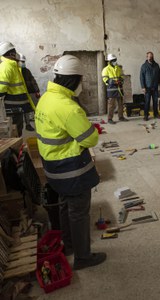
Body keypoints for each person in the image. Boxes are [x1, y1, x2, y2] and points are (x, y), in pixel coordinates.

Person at [35, 55, 106, 270]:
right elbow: (90, 139)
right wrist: (90, 129)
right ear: (73, 80)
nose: (81, 84)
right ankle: (83, 257)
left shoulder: (46, 98)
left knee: (66, 206)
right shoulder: (68, 107)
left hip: (52, 166)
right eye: (80, 80)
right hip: (71, 168)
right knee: (79, 212)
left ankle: (70, 245)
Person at [0, 42, 31, 137]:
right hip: (13, 105)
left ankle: (18, 145)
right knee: (15, 130)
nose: (16, 54)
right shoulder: (7, 66)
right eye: (14, 52)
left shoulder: (11, 65)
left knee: (17, 128)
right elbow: (1, 88)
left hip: (15, 105)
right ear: (11, 54)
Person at [17, 53, 41, 131]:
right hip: (22, 93)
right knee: (26, 109)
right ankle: (28, 124)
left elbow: (32, 80)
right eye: (21, 61)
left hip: (31, 92)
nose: (23, 63)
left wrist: (37, 90)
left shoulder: (27, 71)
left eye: (24, 61)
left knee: (36, 108)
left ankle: (39, 123)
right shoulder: (16, 71)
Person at [102, 53, 127, 124]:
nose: (114, 61)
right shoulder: (106, 69)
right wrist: (114, 82)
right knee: (111, 105)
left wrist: (120, 81)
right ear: (109, 61)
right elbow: (105, 79)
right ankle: (110, 119)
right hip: (111, 90)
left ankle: (121, 117)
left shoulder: (119, 68)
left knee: (121, 104)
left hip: (119, 89)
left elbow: (122, 76)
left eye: (115, 60)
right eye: (113, 60)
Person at [140, 51, 160, 121]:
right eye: (149, 56)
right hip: (147, 87)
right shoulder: (144, 66)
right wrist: (143, 87)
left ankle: (156, 114)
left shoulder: (156, 65)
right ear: (147, 57)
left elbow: (159, 76)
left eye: (152, 56)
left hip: (155, 87)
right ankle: (146, 115)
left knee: (155, 101)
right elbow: (141, 77)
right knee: (147, 102)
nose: (151, 57)